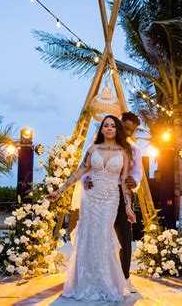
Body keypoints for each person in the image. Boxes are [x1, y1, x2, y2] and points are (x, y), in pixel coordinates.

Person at [46, 115, 136, 302]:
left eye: (113, 126)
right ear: (101, 129)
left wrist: (128, 208)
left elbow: (125, 183)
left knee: (103, 235)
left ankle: (105, 281)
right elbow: (80, 172)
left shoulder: (124, 151)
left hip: (111, 198)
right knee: (89, 236)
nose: (109, 128)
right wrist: (60, 191)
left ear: (117, 129)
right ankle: (86, 281)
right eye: (106, 125)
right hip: (91, 199)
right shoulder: (93, 149)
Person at [83, 111, 141, 293]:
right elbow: (86, 169)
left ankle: (125, 277)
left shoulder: (134, 150)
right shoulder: (97, 145)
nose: (127, 132)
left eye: (130, 131)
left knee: (125, 236)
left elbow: (137, 172)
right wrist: (87, 181)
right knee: (96, 235)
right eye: (124, 128)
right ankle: (95, 276)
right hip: (98, 194)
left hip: (120, 193)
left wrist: (134, 181)